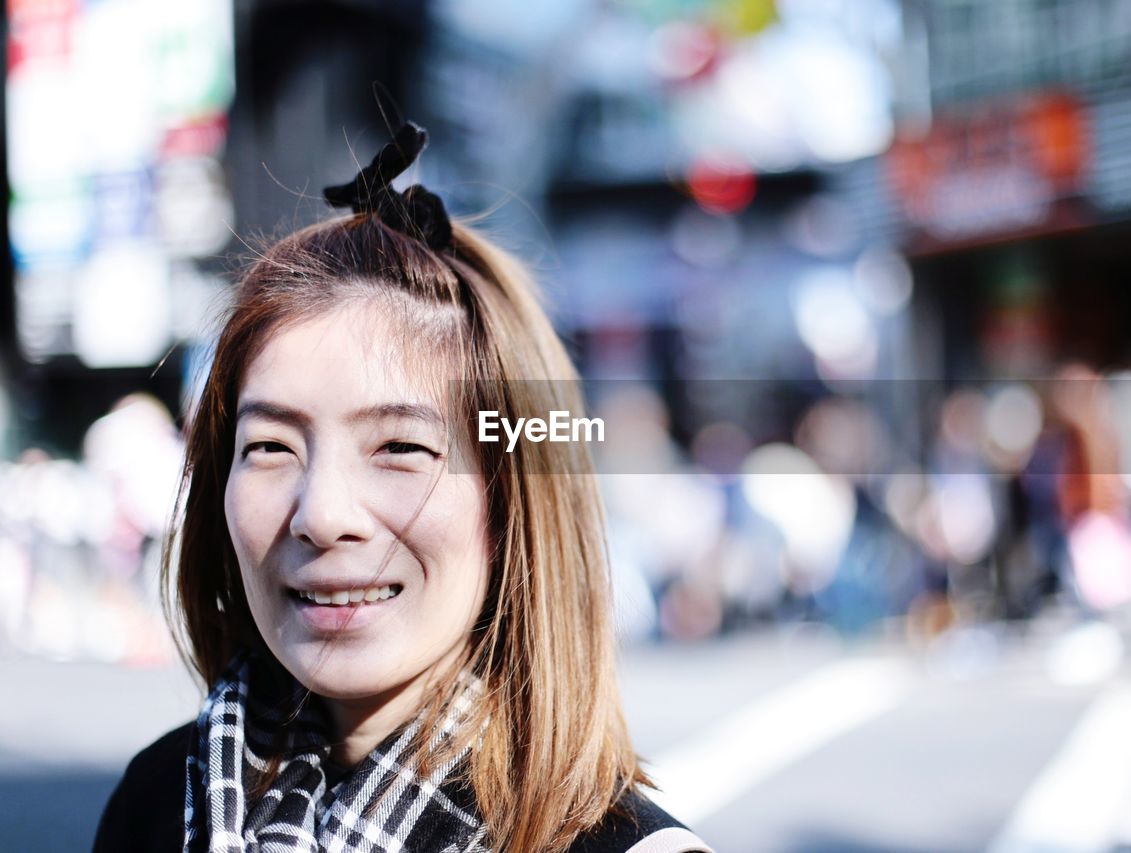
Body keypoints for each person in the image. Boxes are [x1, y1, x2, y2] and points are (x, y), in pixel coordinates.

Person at [93, 122, 713, 853]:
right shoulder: (160, 804)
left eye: (400, 447)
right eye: (269, 446)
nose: (322, 515)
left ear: (512, 500)